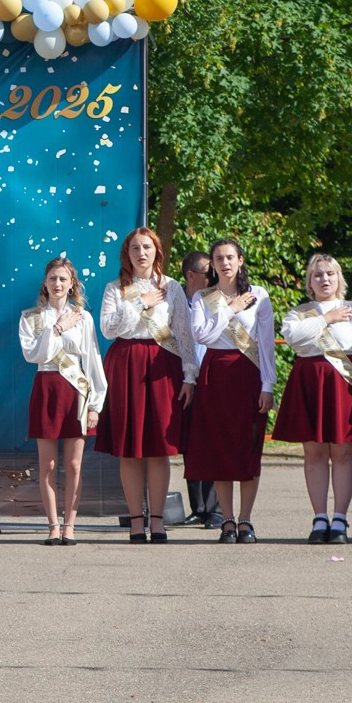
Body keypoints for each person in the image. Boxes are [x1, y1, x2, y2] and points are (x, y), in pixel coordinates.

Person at [97, 228, 197, 543]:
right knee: (130, 449)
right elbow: (110, 328)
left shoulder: (173, 287)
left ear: (157, 251)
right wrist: (140, 302)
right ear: (127, 255)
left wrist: (189, 375)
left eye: (147, 247)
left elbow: (184, 332)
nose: (141, 253)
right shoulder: (116, 289)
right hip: (126, 365)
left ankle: (158, 521)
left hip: (162, 366)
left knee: (158, 449)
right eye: (135, 248)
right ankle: (135, 522)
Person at [273, 253, 352, 544]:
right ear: (310, 280)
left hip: (343, 386)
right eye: (318, 274)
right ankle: (320, 518)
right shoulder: (300, 312)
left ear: (338, 278)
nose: (324, 279)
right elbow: (295, 338)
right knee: (315, 453)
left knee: (344, 452)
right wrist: (326, 318)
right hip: (310, 383)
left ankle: (341, 519)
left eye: (330, 274)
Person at [186, 237, 274, 543]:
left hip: (249, 374)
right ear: (213, 264)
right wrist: (230, 309)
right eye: (219, 258)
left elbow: (266, 345)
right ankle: (227, 520)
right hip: (215, 374)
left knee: (248, 449)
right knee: (220, 450)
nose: (225, 263)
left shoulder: (259, 295)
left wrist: (268, 385)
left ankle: (246, 520)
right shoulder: (203, 297)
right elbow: (201, 335)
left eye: (230, 257)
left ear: (240, 260)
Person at [19, 255, 105, 544]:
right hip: (47, 386)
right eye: (53, 278)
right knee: (48, 465)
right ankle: (52, 525)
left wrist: (95, 403)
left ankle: (70, 524)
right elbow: (34, 355)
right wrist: (56, 329)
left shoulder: (84, 317)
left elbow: (92, 360)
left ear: (72, 285)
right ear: (45, 283)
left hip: (76, 391)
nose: (57, 283)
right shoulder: (31, 317)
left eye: (63, 279)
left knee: (74, 464)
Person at [176, 248, 222, 529]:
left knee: (212, 443)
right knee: (190, 445)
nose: (215, 277)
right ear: (191, 276)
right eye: (209, 273)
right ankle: (199, 507)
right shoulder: (174, 300)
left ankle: (215, 508)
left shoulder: (217, 301)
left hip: (212, 378)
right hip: (183, 380)